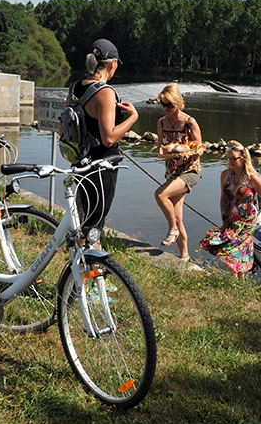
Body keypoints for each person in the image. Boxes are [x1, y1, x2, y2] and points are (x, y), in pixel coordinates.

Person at [62, 38, 138, 238]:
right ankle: (91, 264)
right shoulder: (105, 93)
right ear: (113, 64)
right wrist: (133, 117)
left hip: (80, 162)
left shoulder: (75, 88)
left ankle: (82, 262)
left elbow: (62, 127)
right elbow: (109, 138)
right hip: (101, 168)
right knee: (94, 225)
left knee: (84, 218)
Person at [200, 141, 261, 277]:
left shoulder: (253, 178)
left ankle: (235, 281)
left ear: (243, 159)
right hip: (229, 219)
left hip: (247, 221)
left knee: (233, 250)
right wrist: (223, 216)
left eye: (234, 158)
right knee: (230, 249)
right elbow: (223, 197)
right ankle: (239, 280)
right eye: (229, 158)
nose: (231, 161)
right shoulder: (225, 175)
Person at [154, 83, 203, 260]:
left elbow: (200, 148)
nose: (166, 108)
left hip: (190, 171)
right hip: (172, 173)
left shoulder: (190, 122)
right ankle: (185, 256)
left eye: (169, 105)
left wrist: (185, 152)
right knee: (177, 215)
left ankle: (172, 229)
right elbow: (162, 146)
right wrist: (166, 152)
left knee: (160, 195)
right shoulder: (161, 122)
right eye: (163, 104)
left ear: (178, 103)